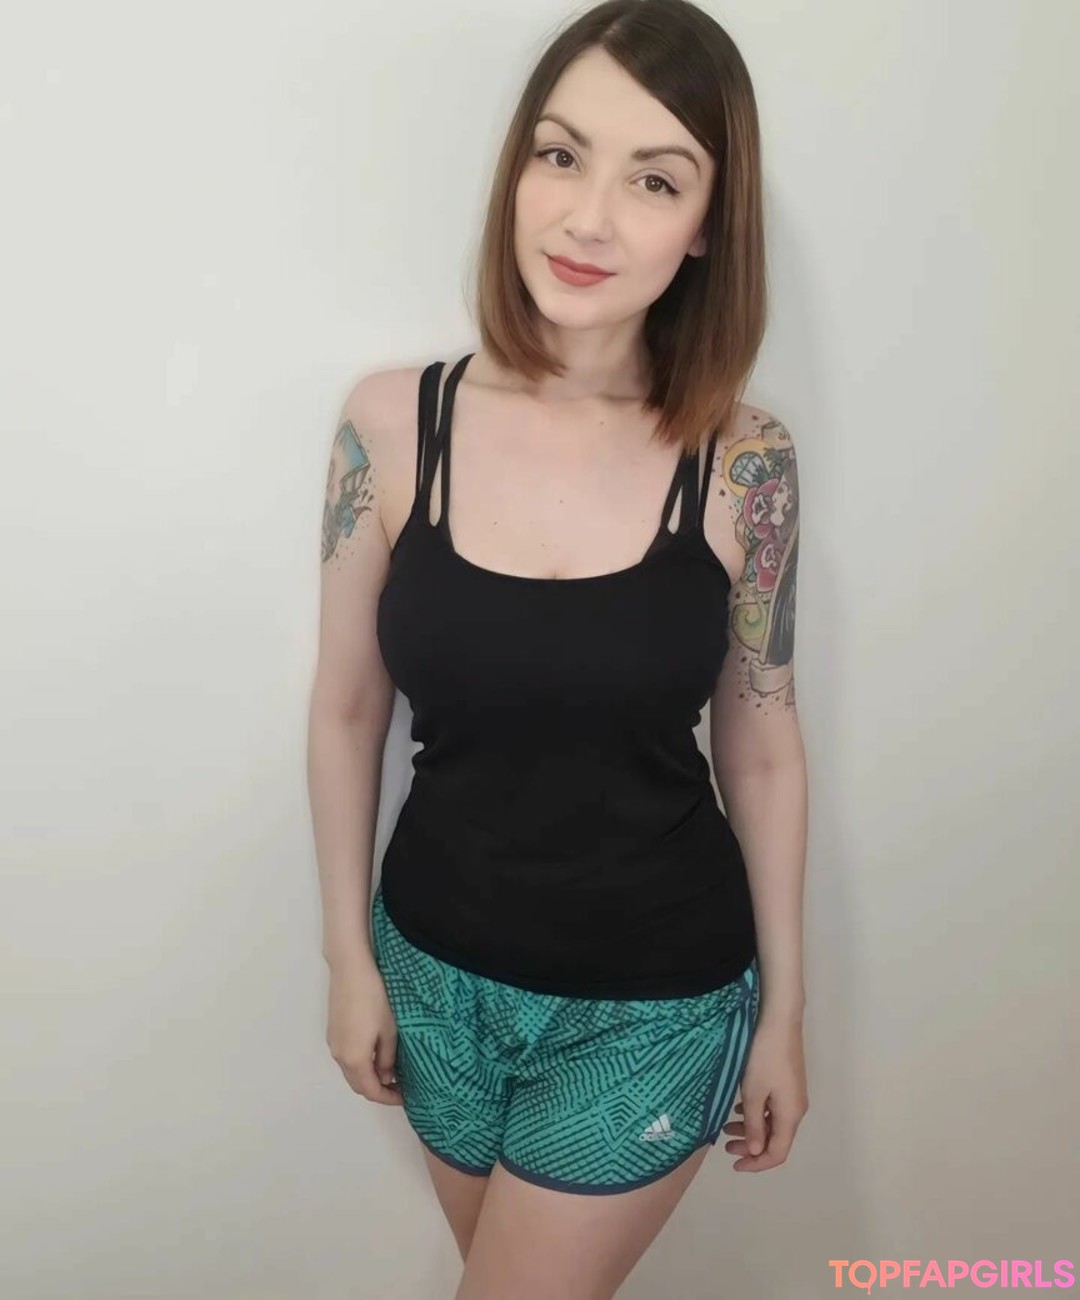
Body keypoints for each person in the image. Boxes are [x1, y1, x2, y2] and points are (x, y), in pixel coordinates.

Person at [307, 1, 809, 1295]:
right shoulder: (391, 426)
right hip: (432, 975)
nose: (588, 218)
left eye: (655, 180)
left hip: (652, 1002)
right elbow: (348, 710)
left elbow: (760, 745)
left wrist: (786, 1017)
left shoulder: (744, 462)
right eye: (561, 154)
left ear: (709, 227)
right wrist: (349, 959)